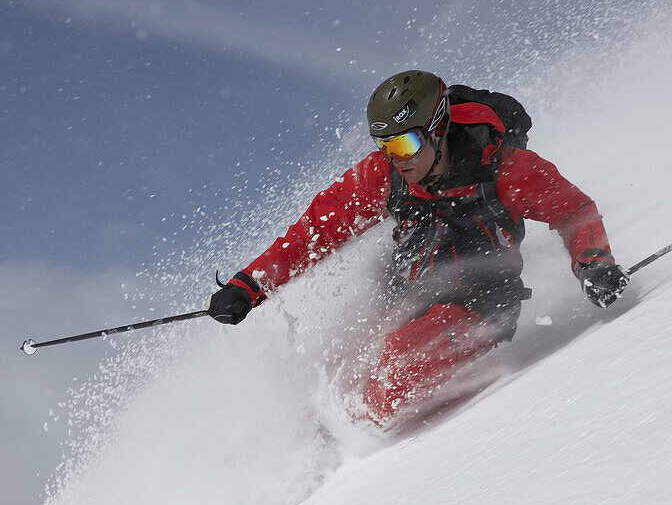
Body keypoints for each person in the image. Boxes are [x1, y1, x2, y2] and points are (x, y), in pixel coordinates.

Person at [208, 70, 629, 426]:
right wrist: (248, 286)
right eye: (385, 146)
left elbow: (573, 211)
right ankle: (314, 436)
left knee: (392, 369)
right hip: (405, 289)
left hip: (480, 303)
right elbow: (313, 233)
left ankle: (345, 461)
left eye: (405, 144)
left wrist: (594, 263)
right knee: (336, 368)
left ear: (438, 128)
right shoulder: (386, 174)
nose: (397, 159)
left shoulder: (502, 167)